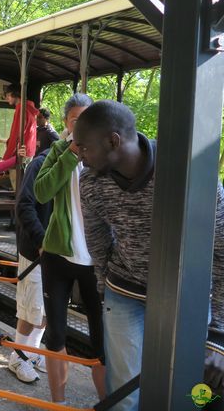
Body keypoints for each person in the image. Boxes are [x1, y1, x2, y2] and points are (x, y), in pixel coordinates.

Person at [75, 100, 224, 411]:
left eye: (84, 147)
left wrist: (218, 334)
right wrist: (105, 289)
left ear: (113, 141)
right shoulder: (90, 182)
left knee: (193, 390)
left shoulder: (190, 170)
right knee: (125, 392)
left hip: (186, 298)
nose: (78, 154)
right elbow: (97, 241)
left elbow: (221, 250)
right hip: (124, 292)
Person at [33, 93, 106, 405]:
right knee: (56, 336)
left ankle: (108, 402)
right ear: (66, 123)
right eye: (76, 120)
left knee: (102, 341)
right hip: (58, 256)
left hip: (97, 263)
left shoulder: (106, 153)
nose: (82, 126)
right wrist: (71, 154)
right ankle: (57, 403)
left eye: (87, 119)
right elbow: (41, 191)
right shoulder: (59, 151)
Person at [7, 150, 51, 383]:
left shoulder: (84, 164)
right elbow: (24, 205)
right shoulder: (40, 163)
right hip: (36, 249)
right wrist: (41, 241)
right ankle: (17, 356)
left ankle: (31, 352)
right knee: (31, 308)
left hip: (61, 253)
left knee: (46, 310)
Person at [2, 85, 38, 162]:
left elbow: (16, 134)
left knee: (15, 173)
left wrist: (6, 157)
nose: (6, 98)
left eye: (9, 95)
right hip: (29, 151)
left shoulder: (21, 109)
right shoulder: (28, 108)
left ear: (16, 94)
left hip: (21, 152)